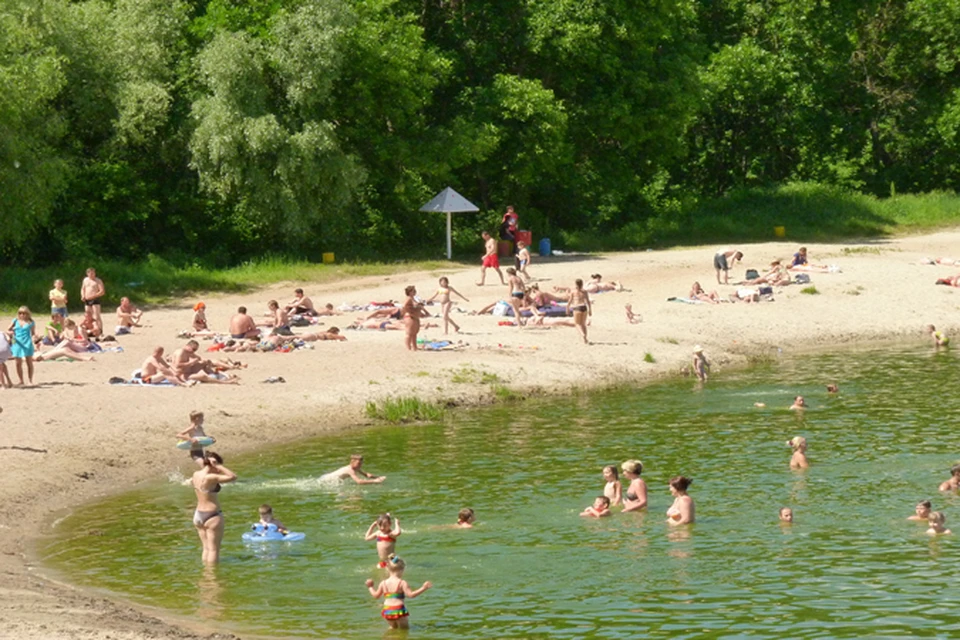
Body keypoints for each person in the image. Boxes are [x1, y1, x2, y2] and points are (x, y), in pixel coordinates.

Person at [192, 451, 237, 564]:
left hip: (198, 515)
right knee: (213, 549)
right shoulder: (210, 477)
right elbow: (232, 476)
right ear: (212, 464)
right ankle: (212, 577)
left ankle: (206, 575)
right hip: (212, 515)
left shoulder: (196, 474)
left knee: (206, 548)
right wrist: (218, 466)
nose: (218, 470)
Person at [364, 555, 432, 630]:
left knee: (393, 628)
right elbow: (411, 595)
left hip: (387, 610)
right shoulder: (402, 583)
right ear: (402, 570)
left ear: (387, 569)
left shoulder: (383, 583)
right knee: (404, 630)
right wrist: (424, 588)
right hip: (399, 609)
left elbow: (376, 596)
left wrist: (370, 587)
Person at [8, 307, 36, 386]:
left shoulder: (31, 322)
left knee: (29, 362)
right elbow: (8, 330)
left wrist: (35, 338)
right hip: (17, 343)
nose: (22, 315)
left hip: (27, 343)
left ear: (27, 314)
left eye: (24, 313)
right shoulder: (15, 321)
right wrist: (12, 334)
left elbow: (33, 333)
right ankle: (21, 380)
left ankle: (30, 380)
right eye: (20, 313)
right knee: (18, 363)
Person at [321, 454, 386, 484]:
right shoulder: (350, 470)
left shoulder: (356, 468)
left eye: (361, 463)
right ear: (352, 462)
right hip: (326, 480)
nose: (360, 465)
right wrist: (374, 481)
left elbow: (366, 474)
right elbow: (359, 482)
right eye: (358, 463)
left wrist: (378, 477)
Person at [80, 268, 106, 335]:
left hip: (95, 299)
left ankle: (100, 330)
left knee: (97, 316)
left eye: (93, 273)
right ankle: (90, 330)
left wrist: (93, 296)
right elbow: (83, 289)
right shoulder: (85, 280)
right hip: (87, 299)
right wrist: (82, 295)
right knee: (88, 316)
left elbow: (102, 291)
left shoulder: (98, 280)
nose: (92, 275)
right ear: (87, 273)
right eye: (90, 273)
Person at [567, 279, 592, 344]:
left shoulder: (573, 292)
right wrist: (590, 310)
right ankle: (585, 339)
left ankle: (583, 335)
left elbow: (570, 301)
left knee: (577, 324)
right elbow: (588, 301)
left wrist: (567, 308)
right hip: (584, 307)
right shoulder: (585, 291)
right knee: (583, 324)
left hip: (577, 307)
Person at [401, 285, 423, 351]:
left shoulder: (413, 298)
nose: (415, 292)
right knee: (409, 333)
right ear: (410, 292)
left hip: (414, 317)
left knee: (414, 333)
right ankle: (408, 348)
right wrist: (409, 311)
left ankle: (414, 347)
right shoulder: (409, 298)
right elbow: (404, 306)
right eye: (413, 291)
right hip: (410, 317)